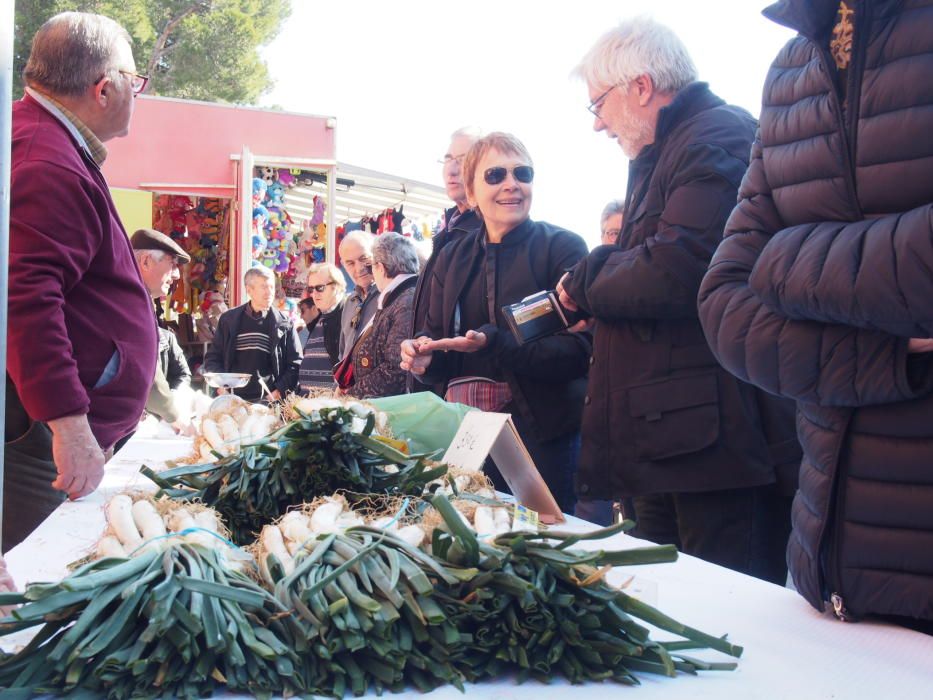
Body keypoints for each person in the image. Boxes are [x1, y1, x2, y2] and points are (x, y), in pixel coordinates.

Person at [698, 0, 933, 628]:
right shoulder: (791, 66)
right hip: (828, 573)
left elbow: (755, 271)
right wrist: (887, 349)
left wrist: (784, 262)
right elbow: (724, 305)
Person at [557, 18, 800, 584]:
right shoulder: (672, 145)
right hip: (676, 440)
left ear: (640, 86)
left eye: (598, 104)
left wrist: (587, 278)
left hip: (715, 446)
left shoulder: (716, 136)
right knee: (668, 607)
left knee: (725, 617)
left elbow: (678, 268)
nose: (597, 124)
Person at [5, 12, 158, 550]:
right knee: (28, 592)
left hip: (42, 429)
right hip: (39, 438)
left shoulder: (47, 144)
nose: (137, 94)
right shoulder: (45, 158)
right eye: (136, 81)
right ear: (105, 87)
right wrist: (69, 426)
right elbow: (25, 301)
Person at [401, 132, 591, 514]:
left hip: (543, 438)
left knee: (542, 547)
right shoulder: (451, 257)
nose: (512, 184)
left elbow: (579, 352)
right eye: (495, 175)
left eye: (522, 173)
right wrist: (424, 356)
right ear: (470, 193)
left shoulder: (563, 247)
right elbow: (436, 339)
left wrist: (496, 344)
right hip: (467, 437)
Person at [409, 127, 484, 393]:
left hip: (470, 394)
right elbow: (434, 325)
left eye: (462, 160)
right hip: (437, 385)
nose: (452, 170)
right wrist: (421, 351)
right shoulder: (448, 232)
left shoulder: (487, 234)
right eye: (448, 159)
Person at [204, 267, 301, 402]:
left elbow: (295, 364)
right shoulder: (228, 320)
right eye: (264, 287)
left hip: (269, 401)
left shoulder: (284, 324)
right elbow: (213, 358)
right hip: (231, 399)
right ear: (249, 290)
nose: (269, 292)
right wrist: (222, 388)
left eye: (272, 287)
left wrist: (276, 393)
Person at [343, 234, 420, 399]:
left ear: (381, 268)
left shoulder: (406, 300)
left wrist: (350, 396)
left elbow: (396, 370)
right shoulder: (398, 297)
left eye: (371, 266)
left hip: (393, 411)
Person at [130, 228, 193, 428]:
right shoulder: (130, 302)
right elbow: (148, 375)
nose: (176, 275)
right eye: (172, 264)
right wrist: (174, 416)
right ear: (146, 261)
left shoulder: (136, 299)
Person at [298, 262, 346, 394]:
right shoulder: (323, 316)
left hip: (331, 406)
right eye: (310, 289)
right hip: (311, 404)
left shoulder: (347, 314)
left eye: (319, 288)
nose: (314, 294)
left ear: (336, 286)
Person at [337, 231, 378, 361]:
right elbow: (343, 353)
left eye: (364, 258)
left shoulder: (390, 296)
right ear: (344, 265)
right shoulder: (350, 301)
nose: (359, 268)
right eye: (350, 263)